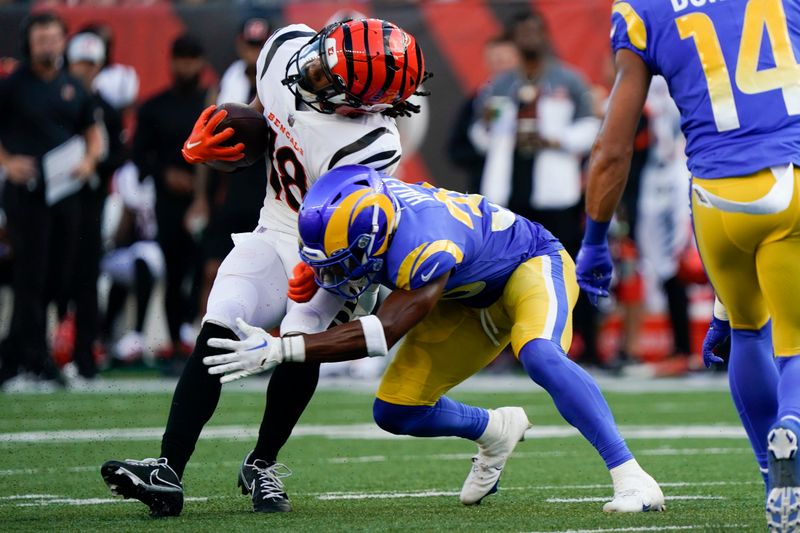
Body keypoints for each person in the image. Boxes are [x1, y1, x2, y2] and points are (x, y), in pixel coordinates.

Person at [101, 18, 429, 517]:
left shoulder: (372, 146)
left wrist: (326, 272)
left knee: (299, 341)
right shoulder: (287, 48)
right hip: (272, 223)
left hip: (326, 248)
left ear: (363, 103)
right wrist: (219, 148)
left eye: (328, 76)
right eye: (322, 56)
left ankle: (262, 463)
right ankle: (167, 469)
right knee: (221, 318)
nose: (312, 71)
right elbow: (262, 122)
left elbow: (355, 230)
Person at [201, 165, 665, 511]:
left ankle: (632, 476)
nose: (334, 273)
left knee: (539, 355)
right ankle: (494, 430)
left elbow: (384, 330)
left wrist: (281, 347)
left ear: (376, 237)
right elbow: (347, 283)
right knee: (396, 410)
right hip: (467, 296)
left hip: (529, 264)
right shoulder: (367, 217)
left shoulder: (425, 244)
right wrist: (316, 282)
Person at [573, 1, 800, 530]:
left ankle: (774, 479)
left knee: (746, 331)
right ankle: (792, 425)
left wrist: (595, 239)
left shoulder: (644, 11)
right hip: (790, 177)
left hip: (715, 199)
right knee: (795, 345)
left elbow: (612, 146)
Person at [0, 13, 103, 389]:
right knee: (30, 275)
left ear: (63, 42)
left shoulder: (73, 87)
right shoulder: (13, 86)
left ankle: (17, 354)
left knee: (60, 277)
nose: (47, 45)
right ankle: (31, 359)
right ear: (29, 44)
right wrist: (8, 162)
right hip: (26, 193)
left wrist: (89, 160)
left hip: (66, 193)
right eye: (40, 38)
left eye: (54, 38)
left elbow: (92, 131)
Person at [132, 34, 211, 364]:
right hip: (167, 201)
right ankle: (176, 341)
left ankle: (194, 335)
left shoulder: (212, 103)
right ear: (171, 61)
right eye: (181, 58)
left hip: (204, 200)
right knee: (174, 270)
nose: (186, 65)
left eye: (192, 58)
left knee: (203, 269)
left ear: (202, 63)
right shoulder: (153, 107)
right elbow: (138, 153)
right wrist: (165, 173)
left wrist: (202, 186)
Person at [65, 31, 128, 382]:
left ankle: (84, 354)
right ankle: (38, 352)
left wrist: (93, 163)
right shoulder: (55, 99)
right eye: (81, 63)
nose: (86, 70)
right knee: (50, 277)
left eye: (92, 64)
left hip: (90, 201)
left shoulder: (105, 106)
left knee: (87, 279)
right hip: (52, 202)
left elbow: (120, 152)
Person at [199, 17, 270, 315]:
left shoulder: (280, 86)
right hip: (229, 185)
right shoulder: (224, 86)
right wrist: (201, 197)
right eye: (250, 44)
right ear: (240, 44)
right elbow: (206, 143)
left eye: (259, 45)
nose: (253, 52)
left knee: (264, 271)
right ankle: (205, 331)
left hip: (267, 188)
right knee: (214, 268)